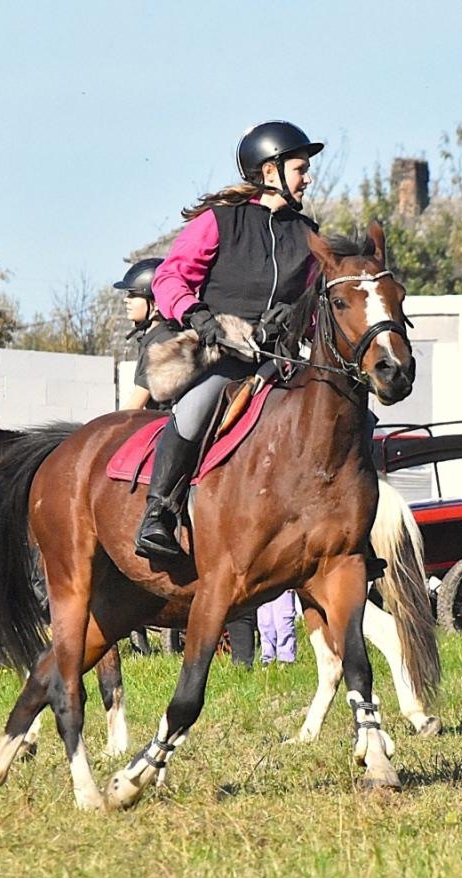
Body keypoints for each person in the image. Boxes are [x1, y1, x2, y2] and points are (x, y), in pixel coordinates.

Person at [136, 120, 324, 561]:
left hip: (280, 361)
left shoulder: (309, 234)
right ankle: (158, 514)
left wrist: (300, 320)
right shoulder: (220, 220)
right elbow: (170, 278)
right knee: (199, 406)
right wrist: (200, 318)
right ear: (271, 171)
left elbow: (317, 311)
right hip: (223, 353)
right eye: (301, 168)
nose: (308, 177)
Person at [114, 257, 174, 412]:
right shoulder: (153, 338)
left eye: (134, 295)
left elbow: (135, 406)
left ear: (156, 304)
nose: (127, 300)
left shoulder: (162, 343)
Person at [257, 589, 298, 665]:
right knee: (266, 624)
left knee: (284, 624)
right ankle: (267, 661)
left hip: (284, 584)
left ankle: (286, 660)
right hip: (264, 585)